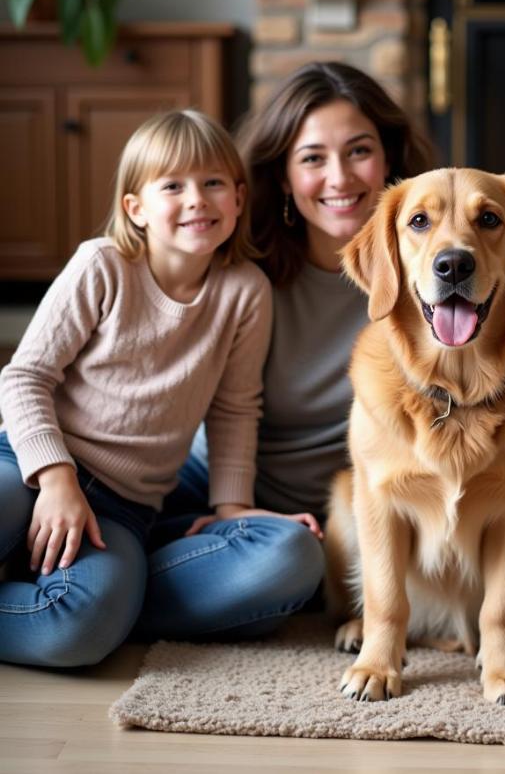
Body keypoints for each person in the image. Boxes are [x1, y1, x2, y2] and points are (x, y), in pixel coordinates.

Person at [0, 110, 324, 667]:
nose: (196, 199)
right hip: (28, 464)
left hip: (122, 511)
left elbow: (234, 409)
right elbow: (25, 376)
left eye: (213, 183)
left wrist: (232, 508)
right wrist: (56, 480)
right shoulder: (103, 265)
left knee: (79, 631)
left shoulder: (245, 292)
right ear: (137, 208)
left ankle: (106, 601)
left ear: (239, 199)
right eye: (173, 185)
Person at [166, 61, 434, 535]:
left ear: (389, 160)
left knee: (289, 564)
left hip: (349, 527)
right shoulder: (247, 278)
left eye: (359, 151)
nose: (340, 177)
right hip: (222, 497)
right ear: (285, 177)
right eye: (313, 158)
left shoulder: (434, 281)